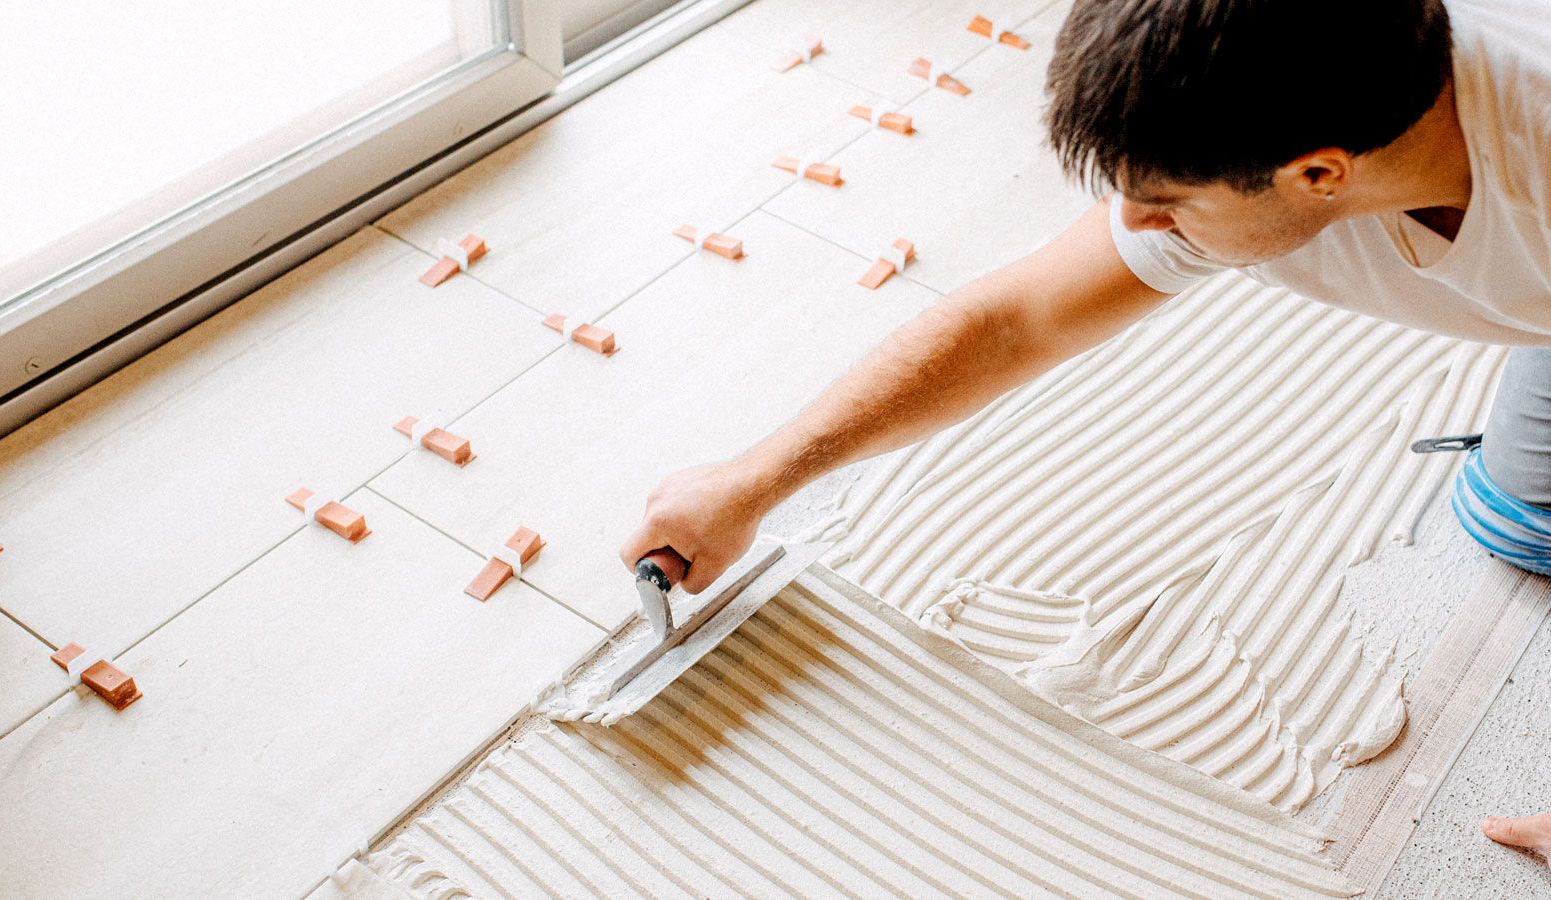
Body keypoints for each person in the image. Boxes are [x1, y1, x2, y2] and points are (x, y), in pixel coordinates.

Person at [621, 0, 1551, 858]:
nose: (1138, 222)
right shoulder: (1292, 105)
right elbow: (1015, 321)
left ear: (1318, 174)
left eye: (1166, 200)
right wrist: (758, 478)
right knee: (1511, 509)